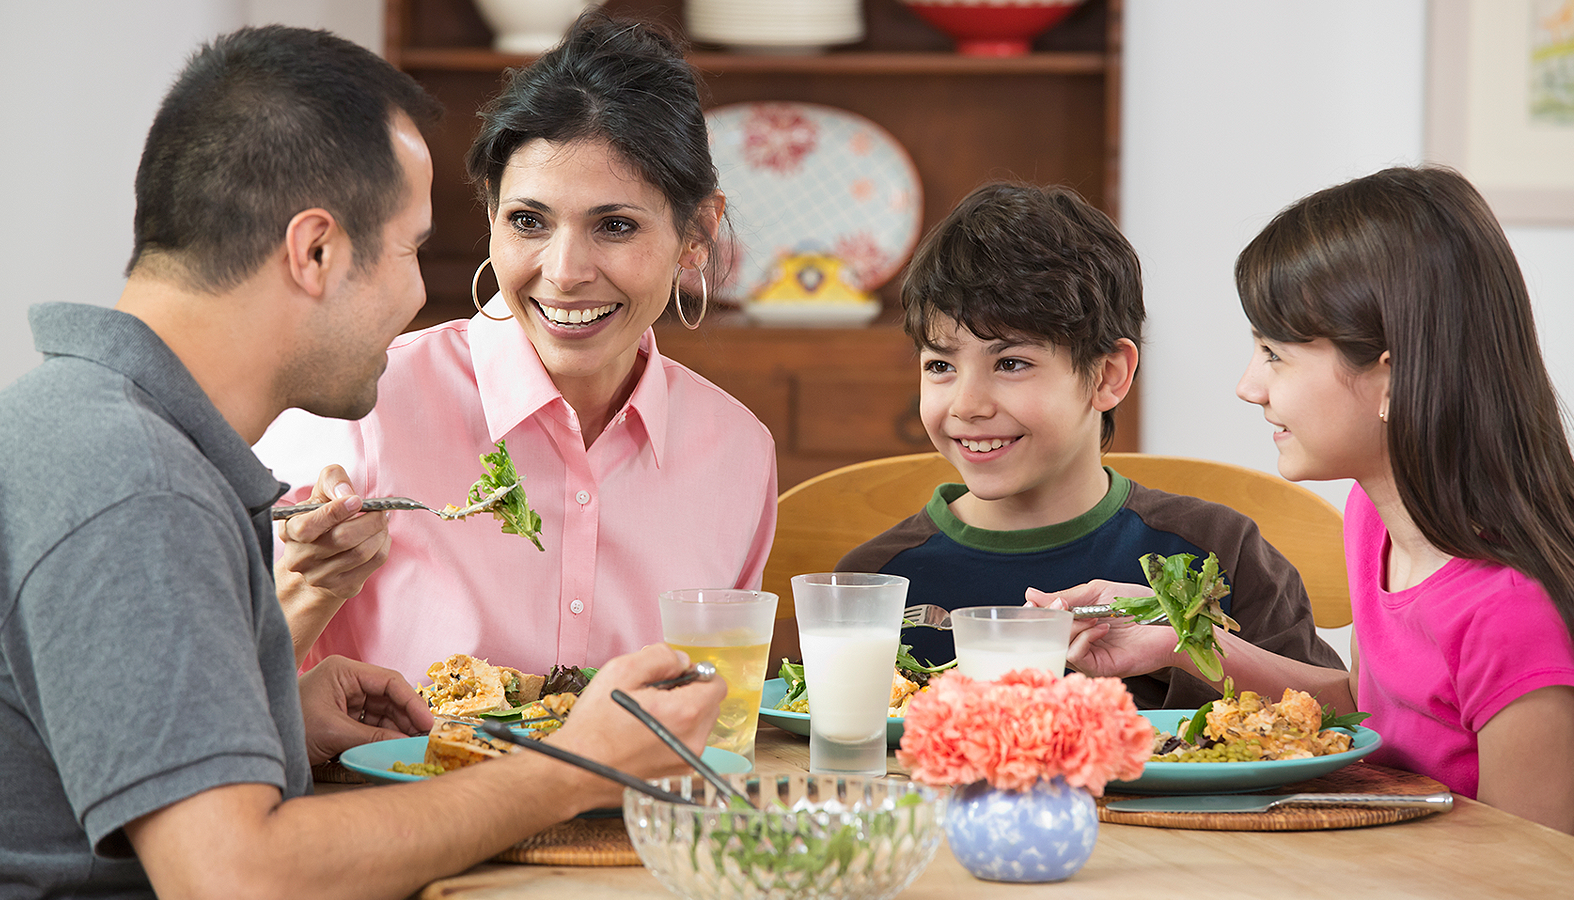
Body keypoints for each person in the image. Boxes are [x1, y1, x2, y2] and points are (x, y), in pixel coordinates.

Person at [0, 26, 724, 898]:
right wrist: (569, 767)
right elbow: (236, 879)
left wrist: (273, 714)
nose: (419, 294)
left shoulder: (95, 433)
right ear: (316, 251)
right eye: (412, 249)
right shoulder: (131, 485)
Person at [1048, 166, 1574, 833]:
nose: (1249, 386)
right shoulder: (1374, 520)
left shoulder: (1511, 614)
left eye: (1273, 354)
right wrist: (1180, 641)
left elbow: (1530, 871)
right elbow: (1365, 706)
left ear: (1393, 374)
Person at [254, 12, 779, 678]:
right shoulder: (356, 409)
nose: (563, 271)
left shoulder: (736, 454)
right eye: (528, 221)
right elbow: (212, 707)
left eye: (615, 225)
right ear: (490, 212)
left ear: (697, 233)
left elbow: (717, 707)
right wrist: (309, 589)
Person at [836, 181, 1342, 709]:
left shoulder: (1219, 553)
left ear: (1107, 376)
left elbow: (1333, 724)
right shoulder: (871, 583)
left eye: (1010, 363)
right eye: (940, 365)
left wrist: (1193, 645)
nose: (966, 405)